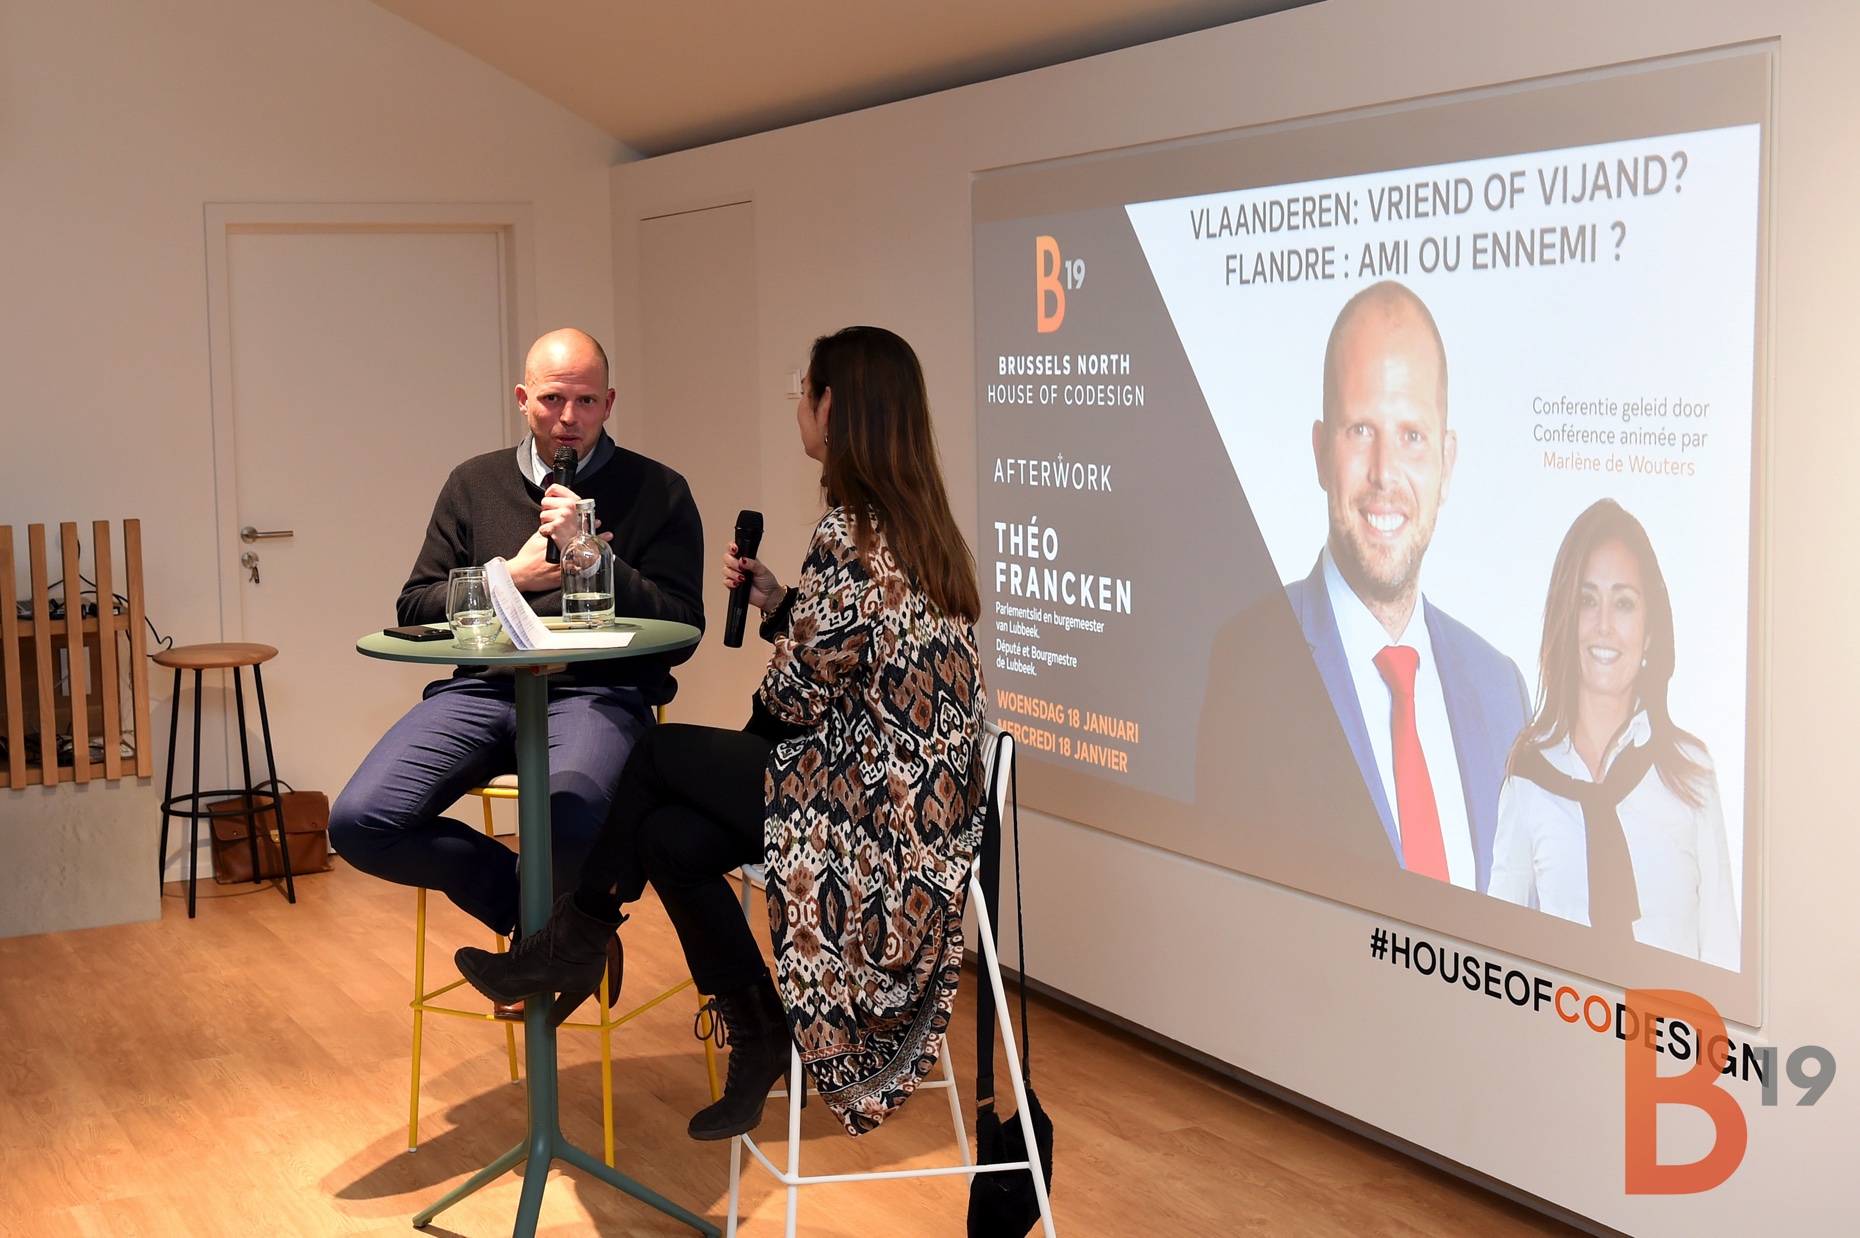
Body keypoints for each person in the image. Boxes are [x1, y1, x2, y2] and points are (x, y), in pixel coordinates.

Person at [454, 325, 987, 1143]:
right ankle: (757, 1029)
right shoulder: (914, 524)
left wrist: (721, 764)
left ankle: (574, 939)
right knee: (668, 836)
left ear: (832, 407)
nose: (798, 409)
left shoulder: (851, 532)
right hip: (923, 804)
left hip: (874, 815)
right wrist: (782, 605)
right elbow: (855, 647)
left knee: (658, 755)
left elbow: (795, 699)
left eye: (804, 393)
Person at [329, 328, 706, 983]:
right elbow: (415, 606)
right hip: (483, 690)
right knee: (360, 822)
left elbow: (684, 625)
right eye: (552, 399)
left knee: (572, 821)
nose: (568, 418)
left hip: (596, 693)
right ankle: (554, 930)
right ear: (523, 398)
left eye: (586, 401)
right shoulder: (473, 483)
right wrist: (508, 577)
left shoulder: (659, 488)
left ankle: (557, 941)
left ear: (610, 402)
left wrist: (596, 558)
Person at [1196, 280, 1527, 892]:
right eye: (1360, 431)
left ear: (1447, 464)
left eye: (1412, 436)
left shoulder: (1501, 689)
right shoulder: (1249, 666)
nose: (1384, 474)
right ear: (1321, 452)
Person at [1488, 500, 1739, 969]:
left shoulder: (1692, 772)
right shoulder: (1529, 778)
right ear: (1566, 619)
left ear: (1649, 631)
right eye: (1587, 601)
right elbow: (1494, 958)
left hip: (1670, 1018)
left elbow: (1723, 956)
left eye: (1623, 604)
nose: (1604, 625)